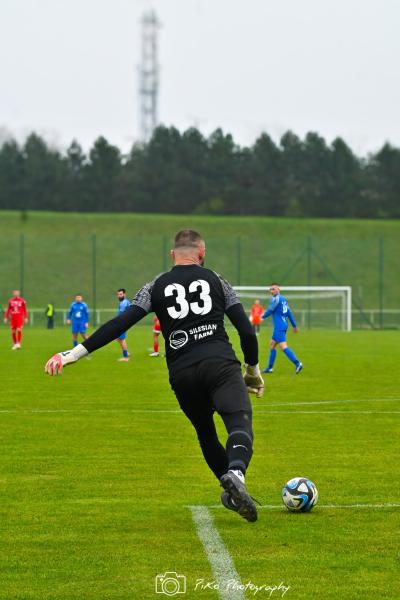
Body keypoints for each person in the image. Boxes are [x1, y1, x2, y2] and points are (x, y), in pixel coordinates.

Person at [45, 229, 264, 522]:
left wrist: (72, 354)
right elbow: (247, 331)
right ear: (202, 253)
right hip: (219, 364)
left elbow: (121, 323)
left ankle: (230, 488)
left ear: (173, 254)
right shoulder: (217, 280)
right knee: (238, 421)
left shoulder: (156, 286)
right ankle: (236, 474)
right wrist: (252, 370)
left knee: (205, 431)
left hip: (182, 373)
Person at [261, 283, 303, 374]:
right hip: (282, 325)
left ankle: (298, 363)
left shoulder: (276, 299)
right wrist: (294, 326)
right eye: (270, 289)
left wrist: (261, 317)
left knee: (283, 346)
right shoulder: (283, 299)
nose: (272, 291)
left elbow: (270, 310)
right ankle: (270, 368)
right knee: (272, 345)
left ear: (278, 289)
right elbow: (289, 313)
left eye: (274, 289)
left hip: (279, 326)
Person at [116, 288, 131, 362]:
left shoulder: (124, 303)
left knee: (121, 340)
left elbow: (121, 315)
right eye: (118, 294)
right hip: (124, 322)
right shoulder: (125, 302)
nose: (119, 296)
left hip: (122, 323)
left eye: (121, 294)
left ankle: (126, 357)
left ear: (124, 294)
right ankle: (126, 352)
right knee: (118, 338)